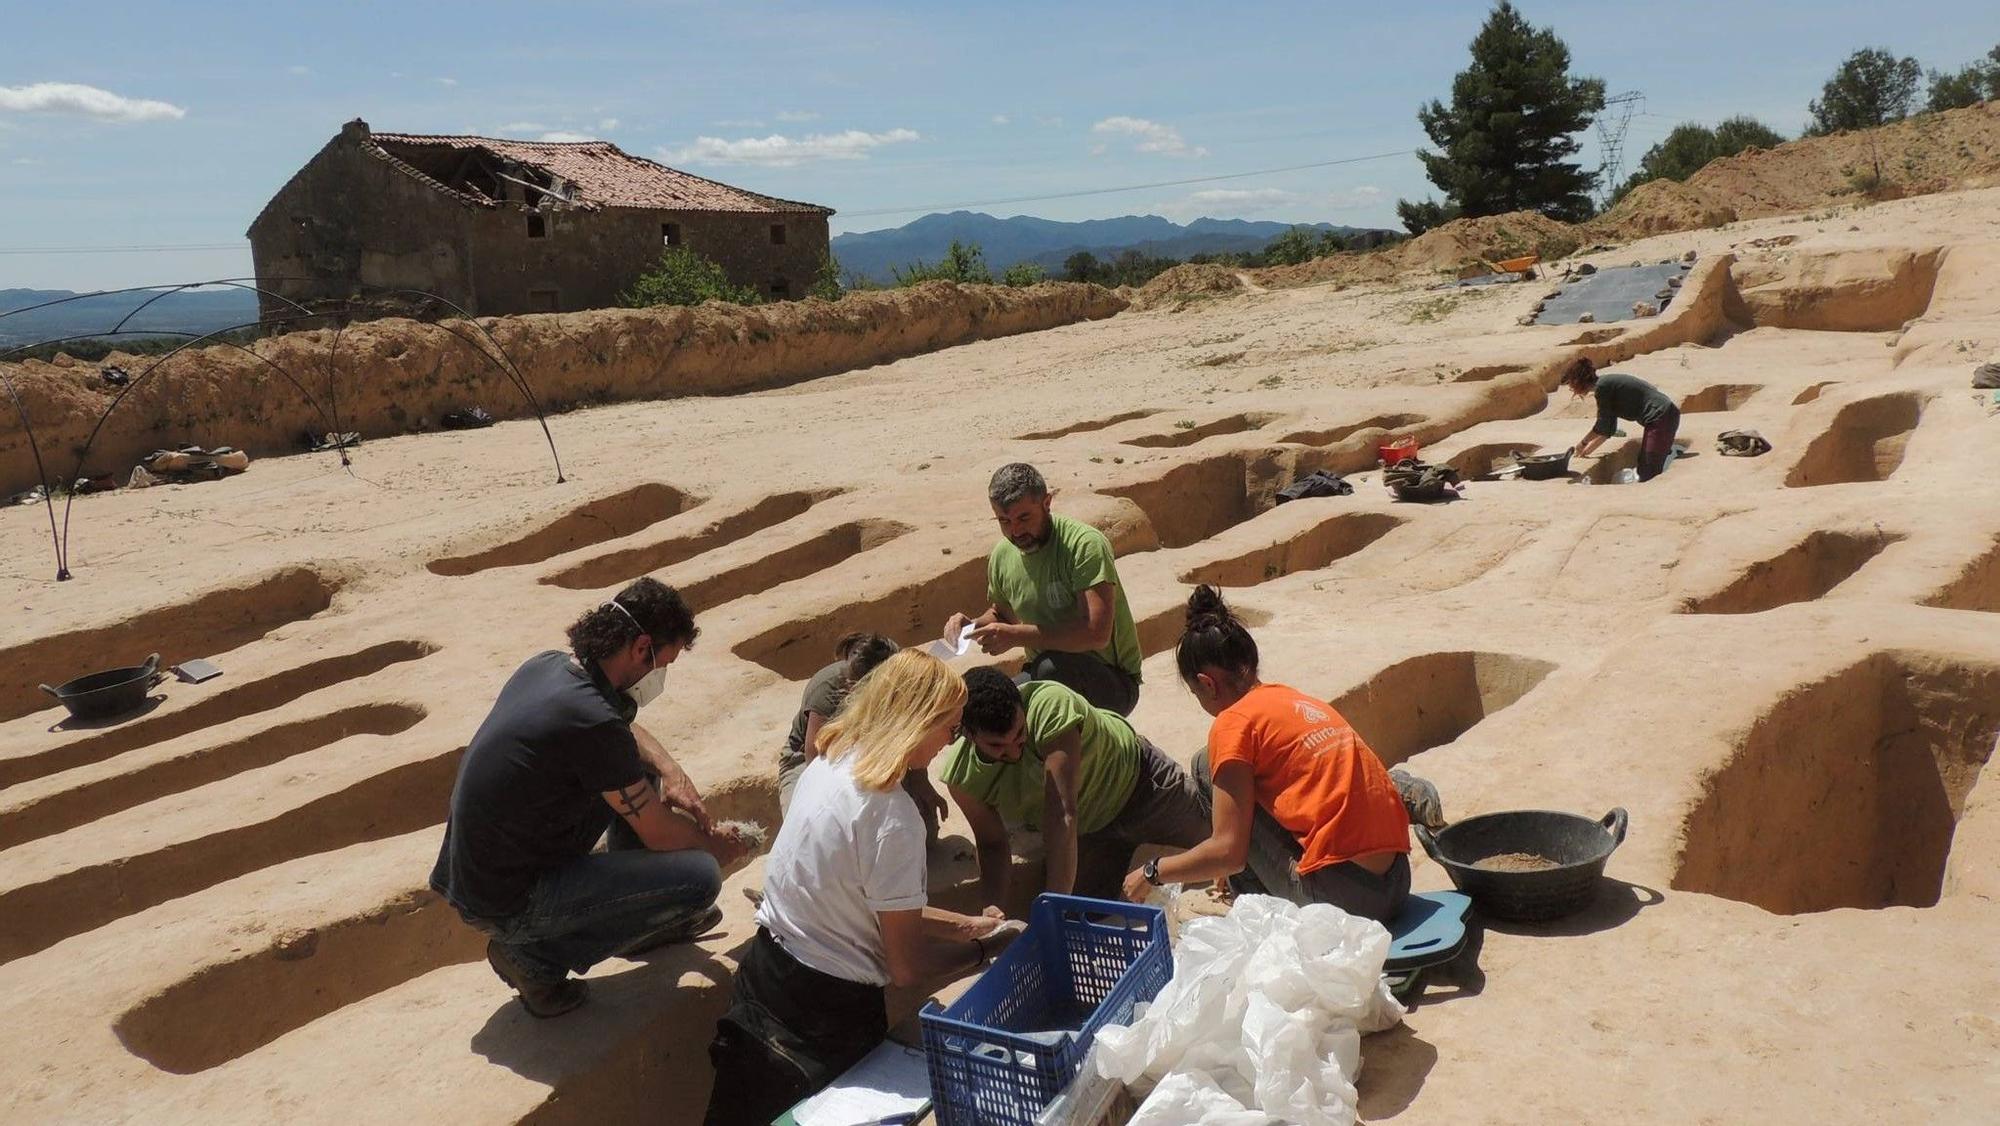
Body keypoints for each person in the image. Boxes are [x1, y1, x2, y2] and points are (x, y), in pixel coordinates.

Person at [703, 650, 1023, 1126]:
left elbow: (851, 897)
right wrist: (983, 952)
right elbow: (906, 967)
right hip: (823, 1019)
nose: (948, 742)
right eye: (948, 728)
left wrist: (962, 926)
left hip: (765, 982)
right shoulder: (893, 818)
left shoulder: (830, 763)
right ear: (918, 722)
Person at [430, 578, 754, 1018]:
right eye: (665, 662)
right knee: (698, 878)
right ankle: (534, 959)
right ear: (642, 648)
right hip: (508, 902)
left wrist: (670, 770)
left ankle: (646, 925)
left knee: (635, 767)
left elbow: (619, 731)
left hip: (475, 874)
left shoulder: (550, 667)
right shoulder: (591, 722)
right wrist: (717, 845)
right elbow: (658, 831)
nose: (661, 675)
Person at [1121, 586, 1411, 924]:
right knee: (1235, 778)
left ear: (1207, 684)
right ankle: (1253, 885)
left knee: (1205, 765)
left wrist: (1153, 871)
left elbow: (1229, 853)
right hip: (1397, 882)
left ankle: (1259, 908)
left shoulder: (1233, 723)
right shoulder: (1292, 700)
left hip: (1350, 903)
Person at [941, 667, 1210, 904]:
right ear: (968, 734)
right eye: (997, 746)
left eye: (1020, 735)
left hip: (1142, 786)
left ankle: (1209, 770)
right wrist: (993, 908)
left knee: (1224, 846)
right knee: (1082, 913)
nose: (1013, 752)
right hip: (1089, 831)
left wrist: (1054, 905)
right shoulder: (962, 777)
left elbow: (1062, 812)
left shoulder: (1050, 707)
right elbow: (992, 845)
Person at [942, 463, 1144, 715]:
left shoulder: (1083, 545)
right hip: (1041, 673)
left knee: (1049, 672)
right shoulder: (1002, 556)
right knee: (978, 705)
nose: (1015, 531)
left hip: (1109, 681)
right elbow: (1003, 614)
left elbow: (1096, 633)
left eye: (1024, 518)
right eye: (1004, 521)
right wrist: (970, 626)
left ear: (1046, 503)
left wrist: (1016, 636)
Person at [778, 631, 950, 842]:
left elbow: (907, 733)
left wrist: (920, 781)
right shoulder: (828, 689)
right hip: (815, 760)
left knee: (923, 834)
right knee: (810, 833)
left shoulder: (898, 683)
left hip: (871, 750)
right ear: (855, 686)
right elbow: (815, 761)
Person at [1562, 357, 1681, 482]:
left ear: (1578, 381)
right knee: (1644, 464)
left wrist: (1582, 443)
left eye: (1571, 384)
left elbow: (1602, 426)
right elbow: (1608, 429)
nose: (1571, 389)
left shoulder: (1603, 387)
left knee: (1649, 470)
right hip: (1663, 416)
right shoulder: (1605, 385)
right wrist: (1586, 451)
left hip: (1661, 416)